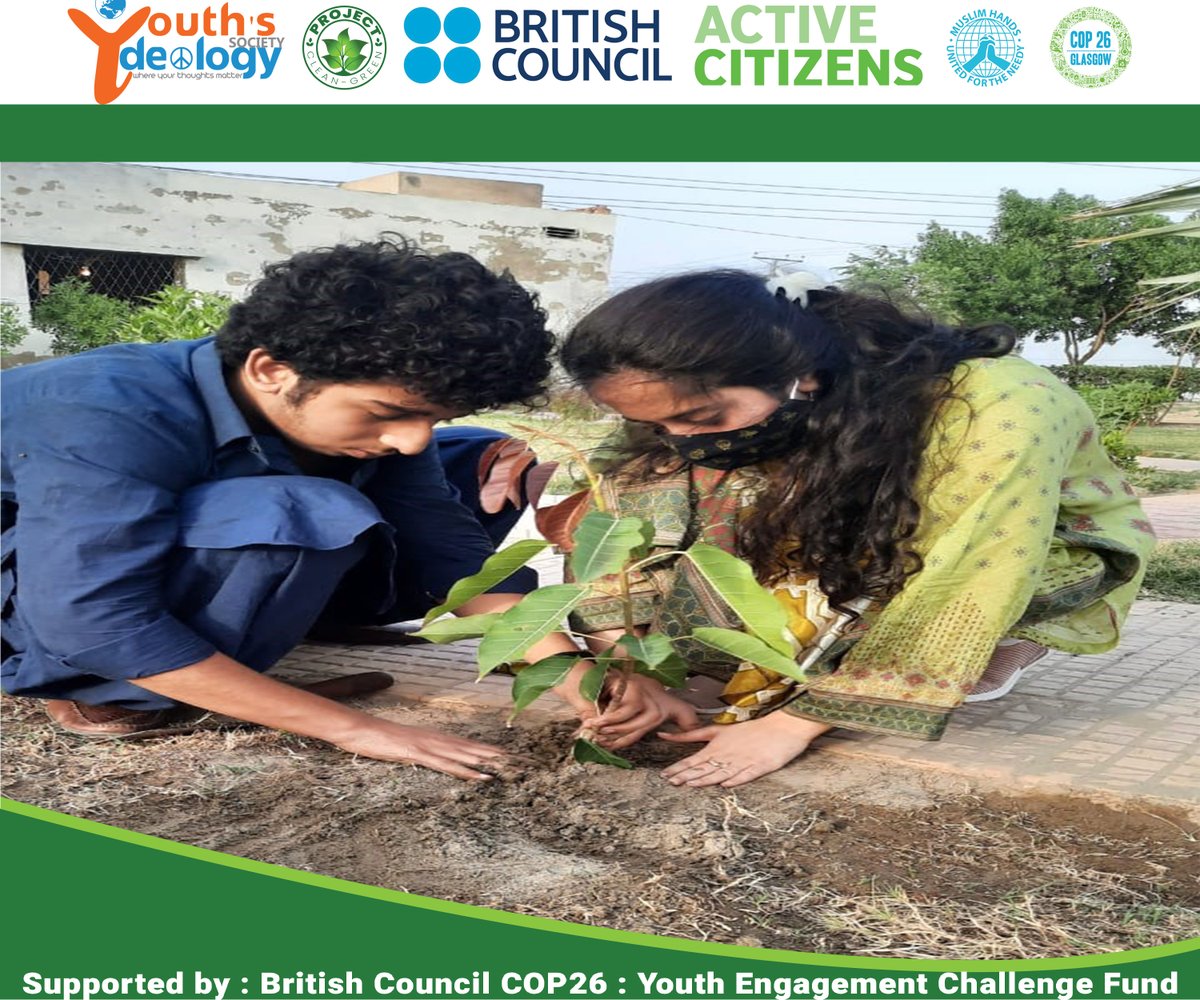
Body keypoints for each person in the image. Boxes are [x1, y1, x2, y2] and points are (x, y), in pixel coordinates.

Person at [1, 238, 586, 781]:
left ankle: (282, 621)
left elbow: (445, 547)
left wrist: (565, 668)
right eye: (387, 413)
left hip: (106, 563)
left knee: (476, 455)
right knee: (301, 508)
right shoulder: (109, 412)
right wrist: (357, 729)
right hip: (41, 591)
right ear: (271, 370)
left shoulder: (368, 420)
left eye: (432, 417)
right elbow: (91, 616)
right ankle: (107, 692)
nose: (411, 439)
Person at [555, 269, 1155, 788]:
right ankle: (818, 652)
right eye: (658, 425)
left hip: (1015, 543)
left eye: (704, 417)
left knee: (915, 599)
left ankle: (981, 655)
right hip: (826, 523)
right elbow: (619, 527)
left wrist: (789, 726)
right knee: (653, 473)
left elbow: (974, 566)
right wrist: (630, 668)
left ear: (801, 377)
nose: (683, 438)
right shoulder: (675, 416)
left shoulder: (998, 404)